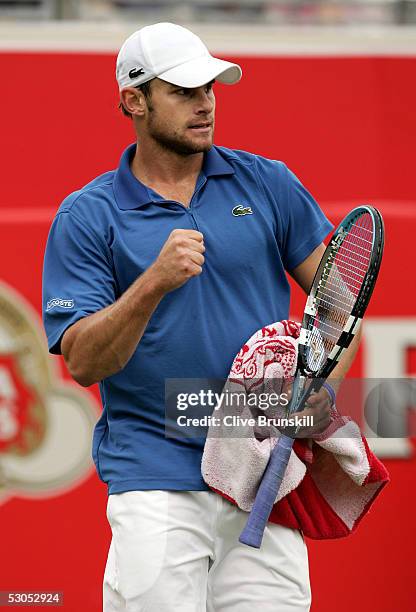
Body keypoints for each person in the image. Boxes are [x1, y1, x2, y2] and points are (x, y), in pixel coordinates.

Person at [42, 22, 360, 612]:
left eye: (211, 88)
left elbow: (341, 302)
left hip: (264, 474)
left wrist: (321, 387)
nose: (206, 103)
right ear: (133, 101)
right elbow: (83, 361)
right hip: (155, 478)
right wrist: (152, 284)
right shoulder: (87, 216)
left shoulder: (268, 182)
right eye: (185, 91)